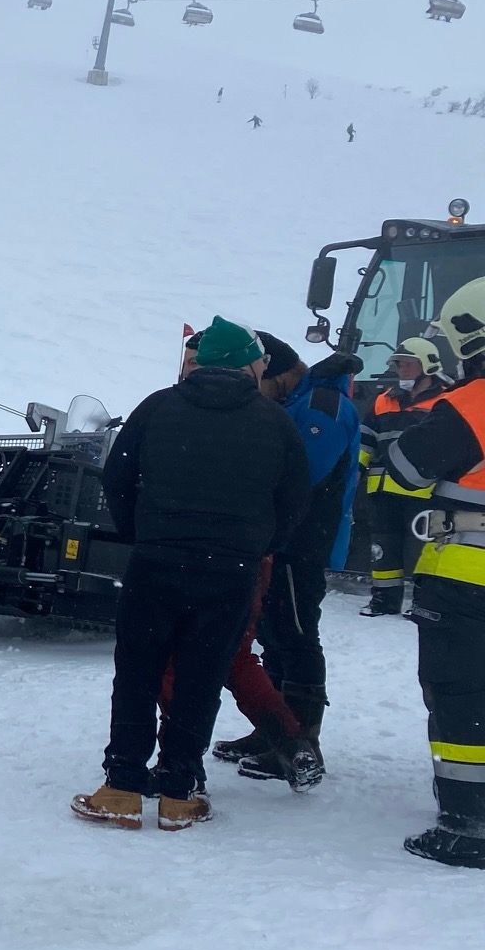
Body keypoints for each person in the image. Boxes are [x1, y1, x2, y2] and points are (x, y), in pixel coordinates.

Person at [74, 317, 307, 829]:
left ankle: (122, 786)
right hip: (230, 571)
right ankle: (179, 791)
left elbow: (117, 476)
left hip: (156, 562)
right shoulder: (275, 422)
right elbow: (293, 500)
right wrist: (257, 545)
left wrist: (142, 531)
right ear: (248, 364)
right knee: (201, 676)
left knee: (138, 671)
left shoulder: (158, 407)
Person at [382, 278, 485, 867]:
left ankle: (469, 824)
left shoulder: (472, 405)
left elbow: (405, 467)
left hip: (468, 577)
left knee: (461, 695)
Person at [226, 334, 358, 783]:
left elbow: (303, 473)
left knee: (297, 633)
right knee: (276, 631)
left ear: (280, 375)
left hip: (302, 542)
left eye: (262, 382)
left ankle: (303, 742)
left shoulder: (321, 405)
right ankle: (276, 734)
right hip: (280, 540)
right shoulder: (301, 402)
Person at [359, 338, 449, 616]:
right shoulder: (383, 399)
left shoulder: (446, 400)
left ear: (428, 367)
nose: (402, 371)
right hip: (383, 489)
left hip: (424, 491)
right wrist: (356, 471)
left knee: (426, 551)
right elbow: (366, 440)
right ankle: (384, 600)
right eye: (399, 365)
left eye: (409, 365)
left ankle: (423, 602)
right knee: (383, 548)